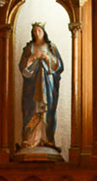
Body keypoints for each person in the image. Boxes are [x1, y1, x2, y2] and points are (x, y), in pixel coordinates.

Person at [18, 22, 64, 151]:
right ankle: (31, 140)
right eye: (34, 31)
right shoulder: (29, 48)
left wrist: (47, 58)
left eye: (39, 30)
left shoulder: (51, 47)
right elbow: (23, 67)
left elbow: (59, 66)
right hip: (32, 87)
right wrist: (32, 58)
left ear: (44, 32)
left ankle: (46, 139)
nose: (36, 33)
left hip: (47, 86)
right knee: (32, 110)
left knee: (47, 110)